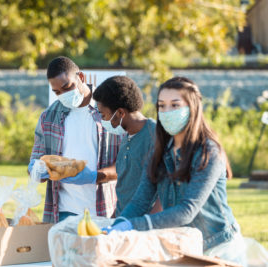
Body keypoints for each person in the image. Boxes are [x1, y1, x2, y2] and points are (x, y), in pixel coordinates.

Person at [102, 77, 246, 264]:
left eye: (174, 105)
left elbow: (187, 210)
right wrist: (118, 225)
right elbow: (140, 201)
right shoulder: (159, 151)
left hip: (219, 247)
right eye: (161, 106)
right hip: (183, 246)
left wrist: (133, 225)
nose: (166, 111)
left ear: (192, 108)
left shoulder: (208, 152)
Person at [28, 56, 121, 223]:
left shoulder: (111, 112)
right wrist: (36, 170)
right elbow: (36, 165)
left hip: (106, 211)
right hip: (63, 213)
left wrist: (94, 176)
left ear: (81, 78)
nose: (63, 95)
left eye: (67, 87)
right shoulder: (48, 117)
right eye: (57, 92)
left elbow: (128, 164)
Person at [93, 76, 160, 216]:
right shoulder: (126, 138)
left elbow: (165, 194)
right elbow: (125, 188)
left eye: (104, 115)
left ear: (120, 113)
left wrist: (148, 224)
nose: (102, 121)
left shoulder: (156, 136)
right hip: (124, 222)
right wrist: (114, 220)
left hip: (145, 227)